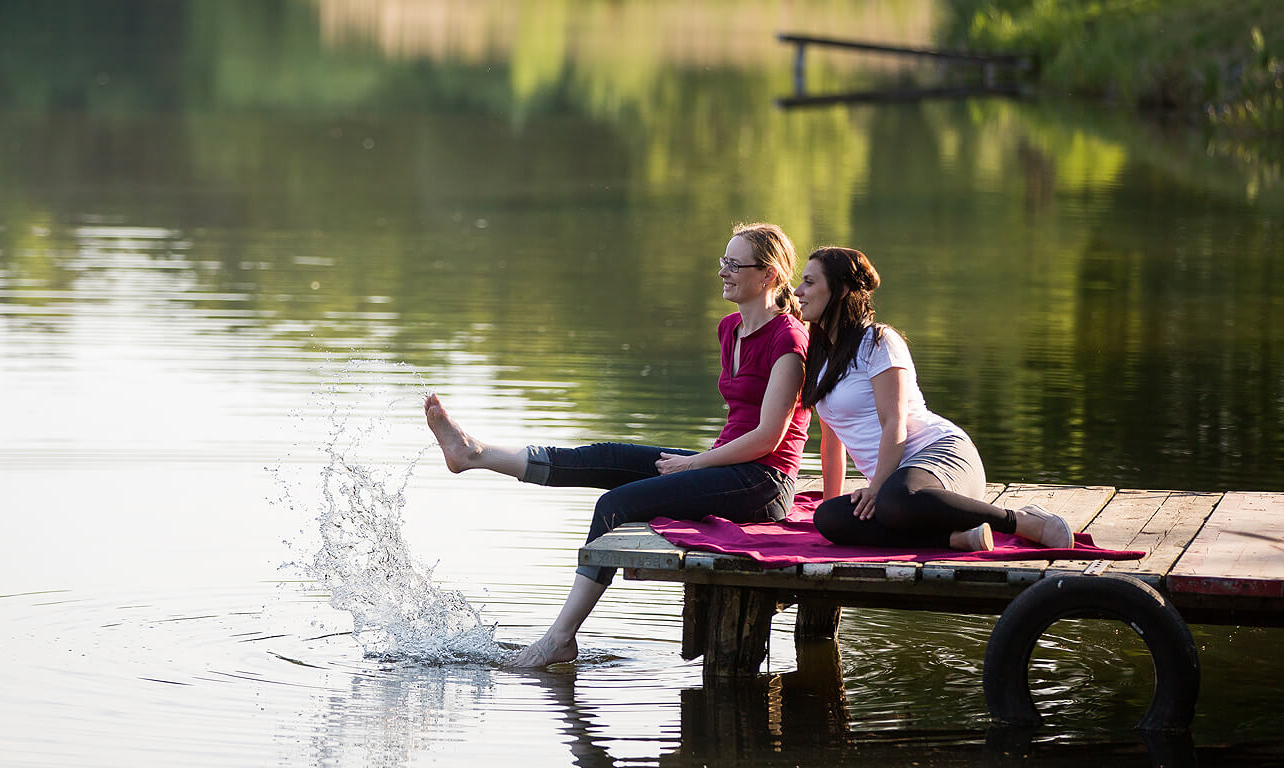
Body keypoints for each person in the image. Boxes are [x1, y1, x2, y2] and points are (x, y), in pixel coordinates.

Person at [424, 222, 811, 668]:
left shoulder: (788, 339)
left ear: (768, 275)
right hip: (725, 467)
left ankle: (559, 639)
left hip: (763, 482)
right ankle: (474, 454)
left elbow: (767, 437)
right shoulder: (730, 329)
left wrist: (693, 467)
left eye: (734, 264)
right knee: (608, 457)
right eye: (722, 261)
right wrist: (699, 466)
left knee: (615, 504)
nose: (723, 271)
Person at [792, 246, 1073, 553]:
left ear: (842, 289)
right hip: (895, 483)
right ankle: (958, 539)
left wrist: (875, 488)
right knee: (829, 519)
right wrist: (834, 503)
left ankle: (1021, 521)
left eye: (809, 282)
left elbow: (894, 422)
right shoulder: (819, 355)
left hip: (941, 457)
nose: (798, 290)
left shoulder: (878, 342)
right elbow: (833, 441)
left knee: (895, 500)